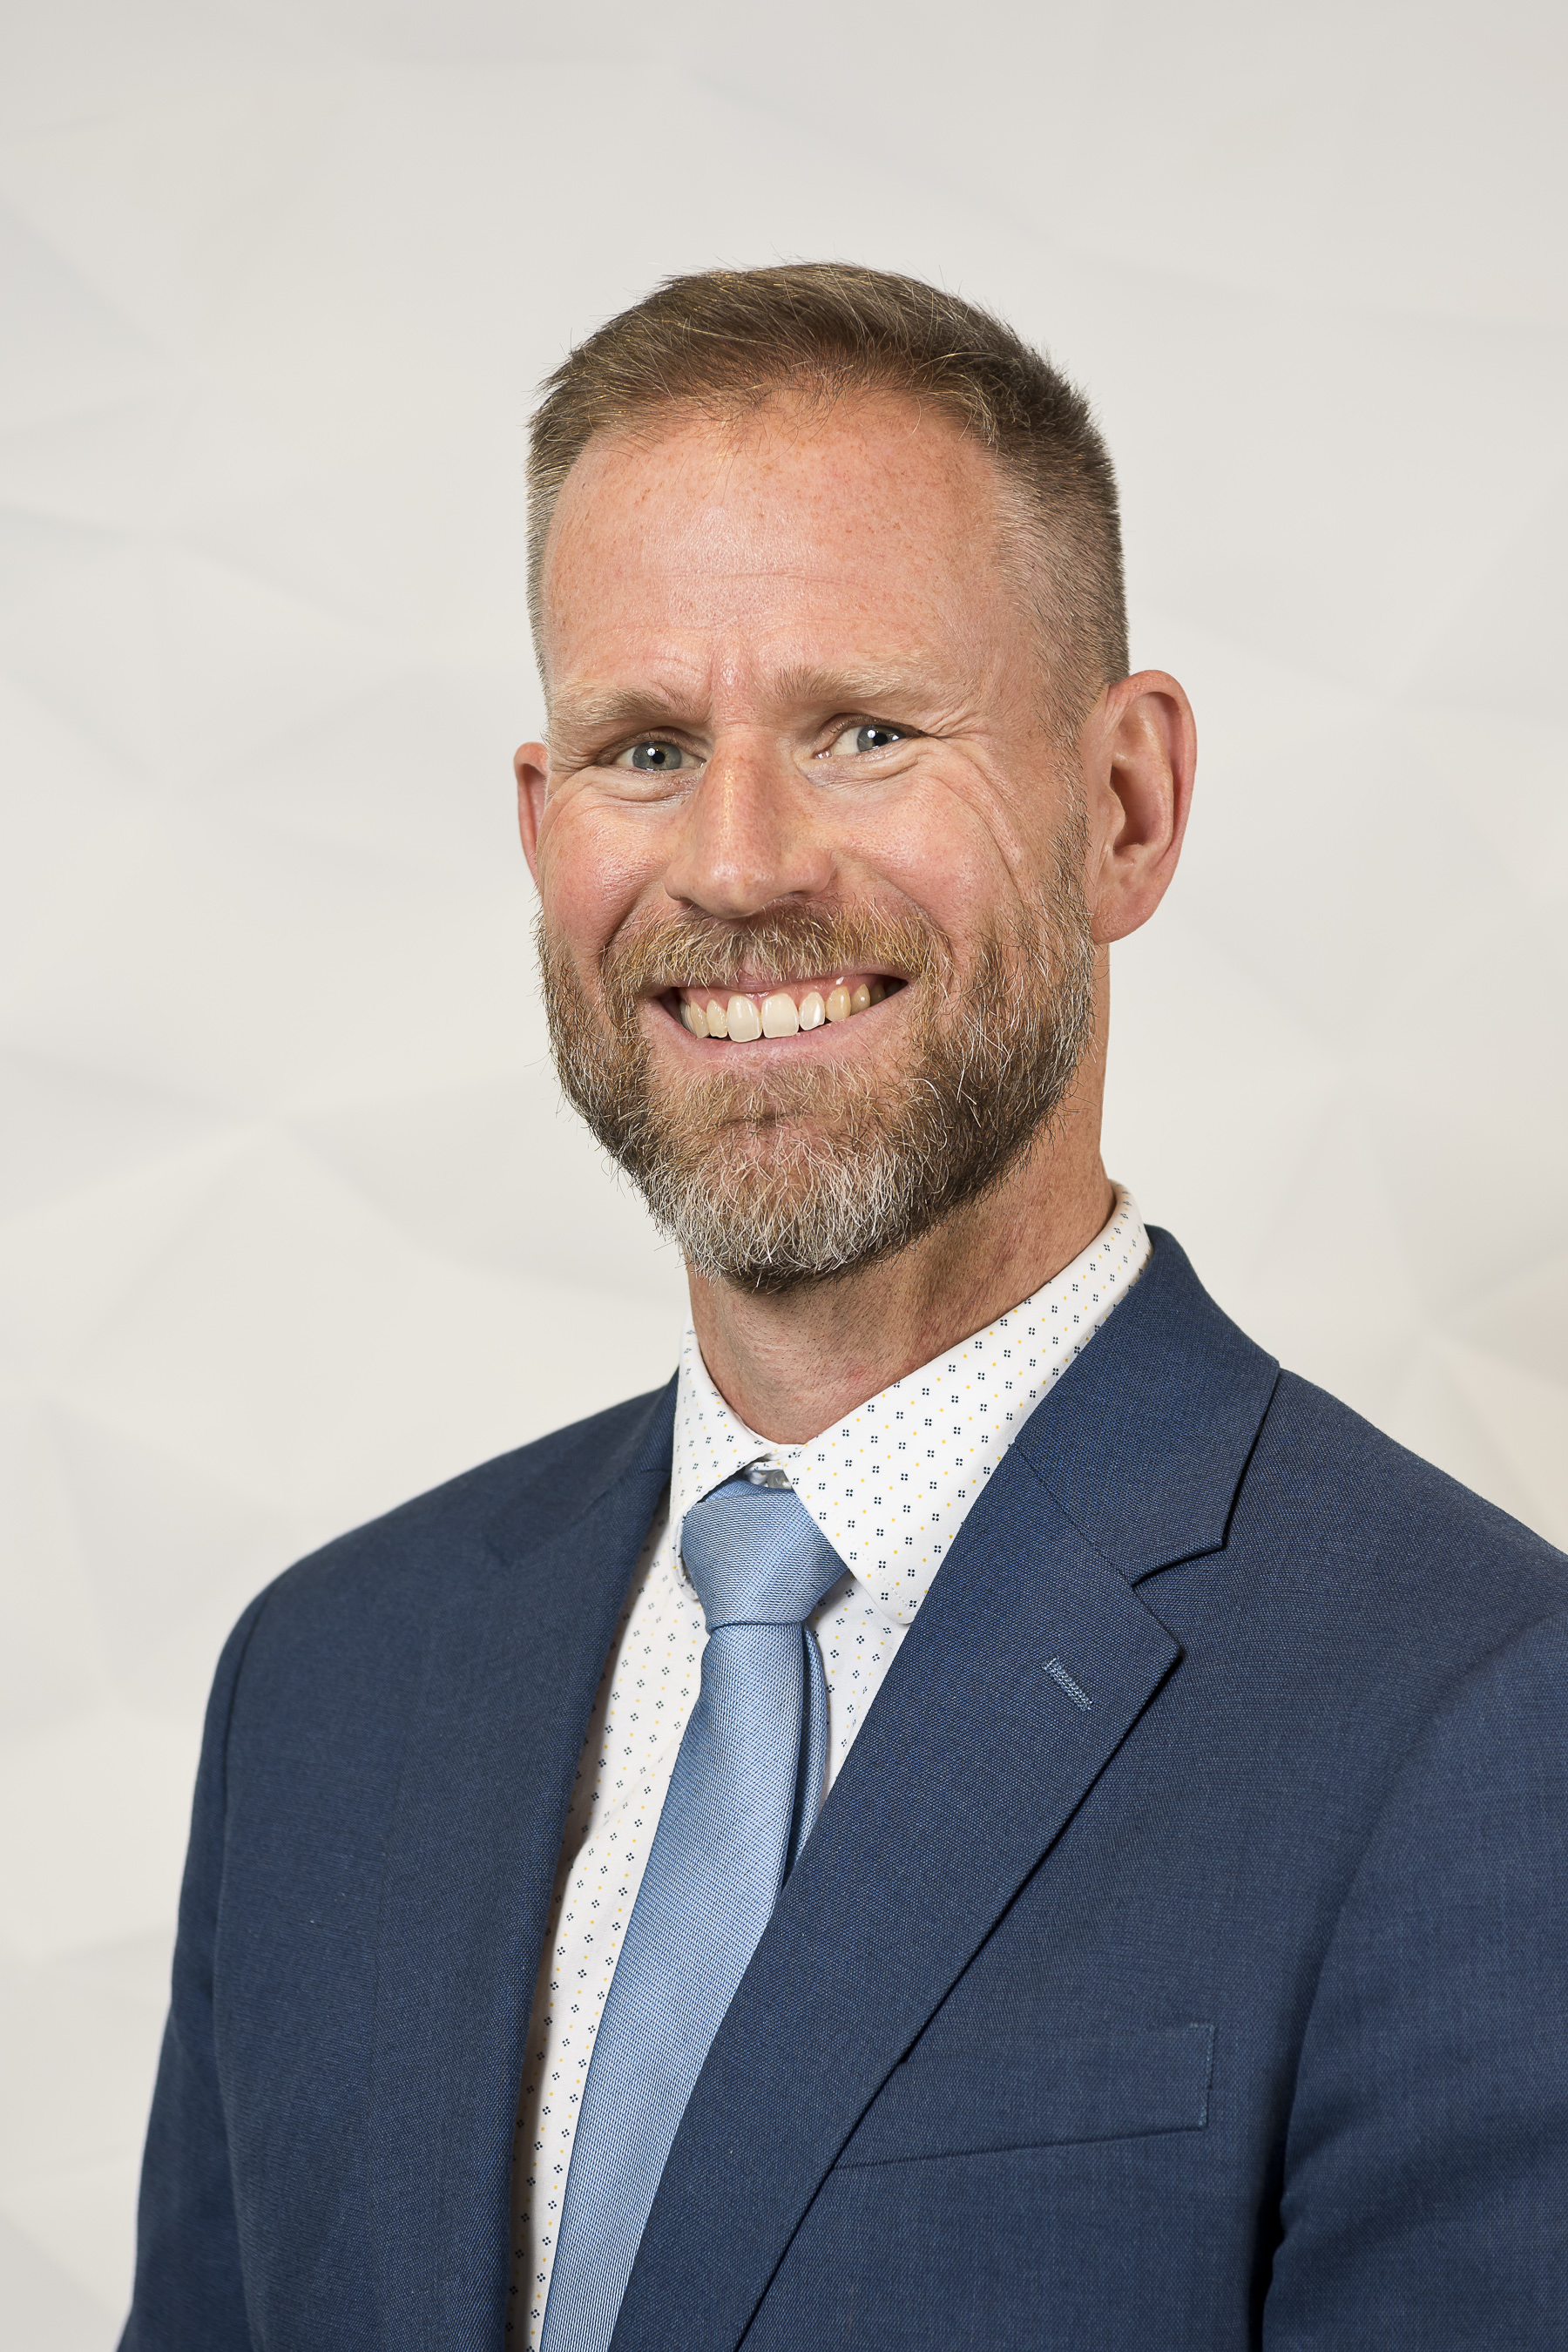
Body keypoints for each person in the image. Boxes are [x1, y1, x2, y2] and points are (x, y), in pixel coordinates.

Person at [121, 265, 1568, 2352]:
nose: (735, 865)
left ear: (1126, 806)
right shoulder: (327, 1691)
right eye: (644, 748)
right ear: (541, 831)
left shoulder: (1482, 1721)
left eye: (864, 731)